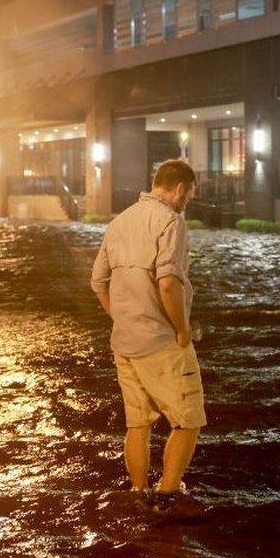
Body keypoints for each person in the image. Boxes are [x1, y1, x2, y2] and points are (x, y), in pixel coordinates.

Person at [91, 159, 205, 513]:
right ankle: (168, 497)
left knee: (138, 423)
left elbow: (98, 282)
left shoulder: (118, 222)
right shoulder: (171, 221)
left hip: (124, 341)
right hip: (160, 342)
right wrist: (182, 330)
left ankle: (138, 492)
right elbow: (168, 282)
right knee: (188, 419)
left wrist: (122, 318)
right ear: (180, 189)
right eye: (189, 196)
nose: (187, 202)